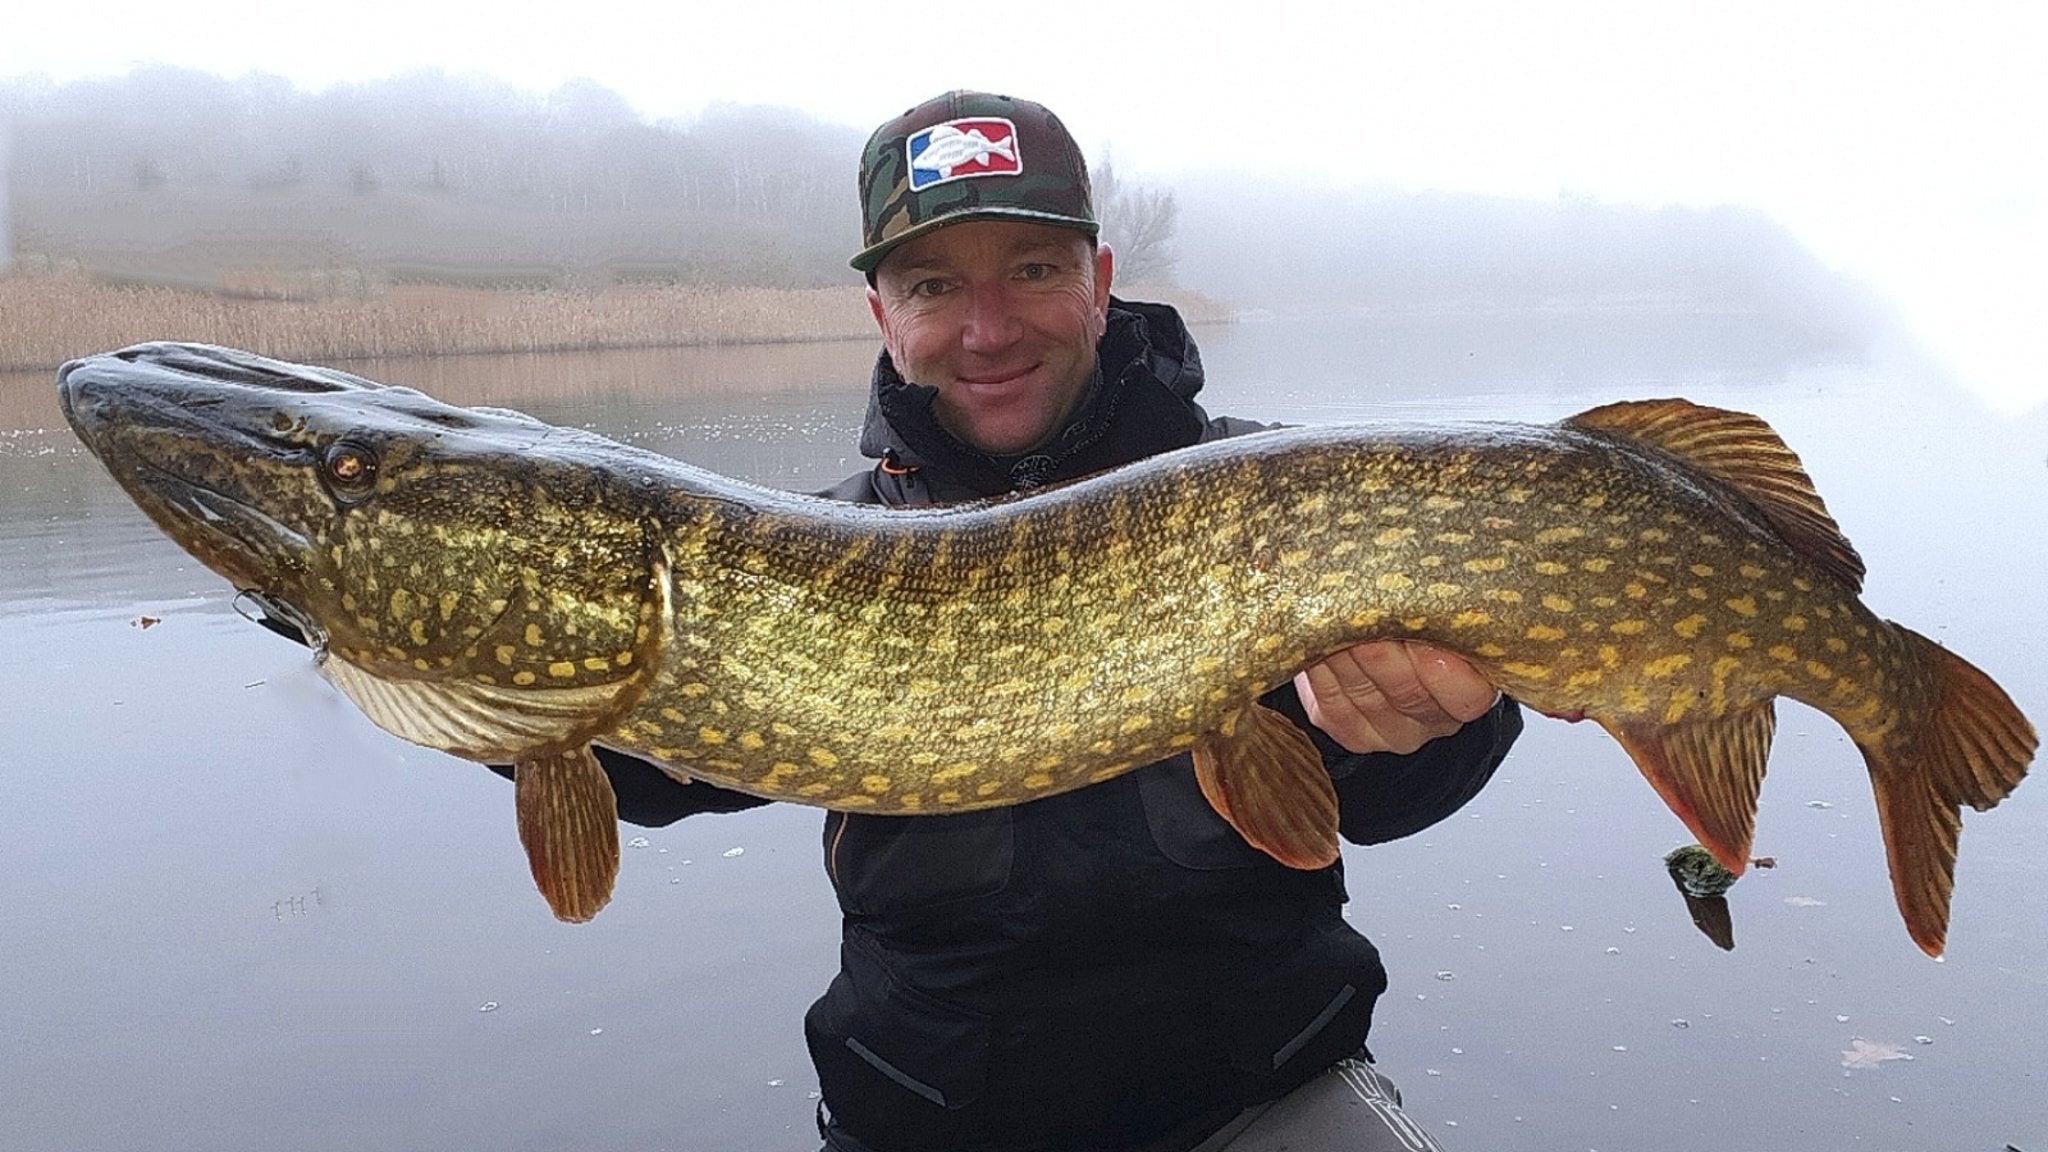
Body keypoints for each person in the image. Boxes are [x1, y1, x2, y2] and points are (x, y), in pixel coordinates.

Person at [591, 91, 1525, 1151]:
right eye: (933, 285)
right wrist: (513, 705)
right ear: (884, 316)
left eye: (1033, 270)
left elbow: (1408, 785)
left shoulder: (1275, 498)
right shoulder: (815, 553)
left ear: (1099, 282)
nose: (988, 329)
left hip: (1265, 1098)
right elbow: (654, 775)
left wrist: (1404, 735)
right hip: (932, 1120)